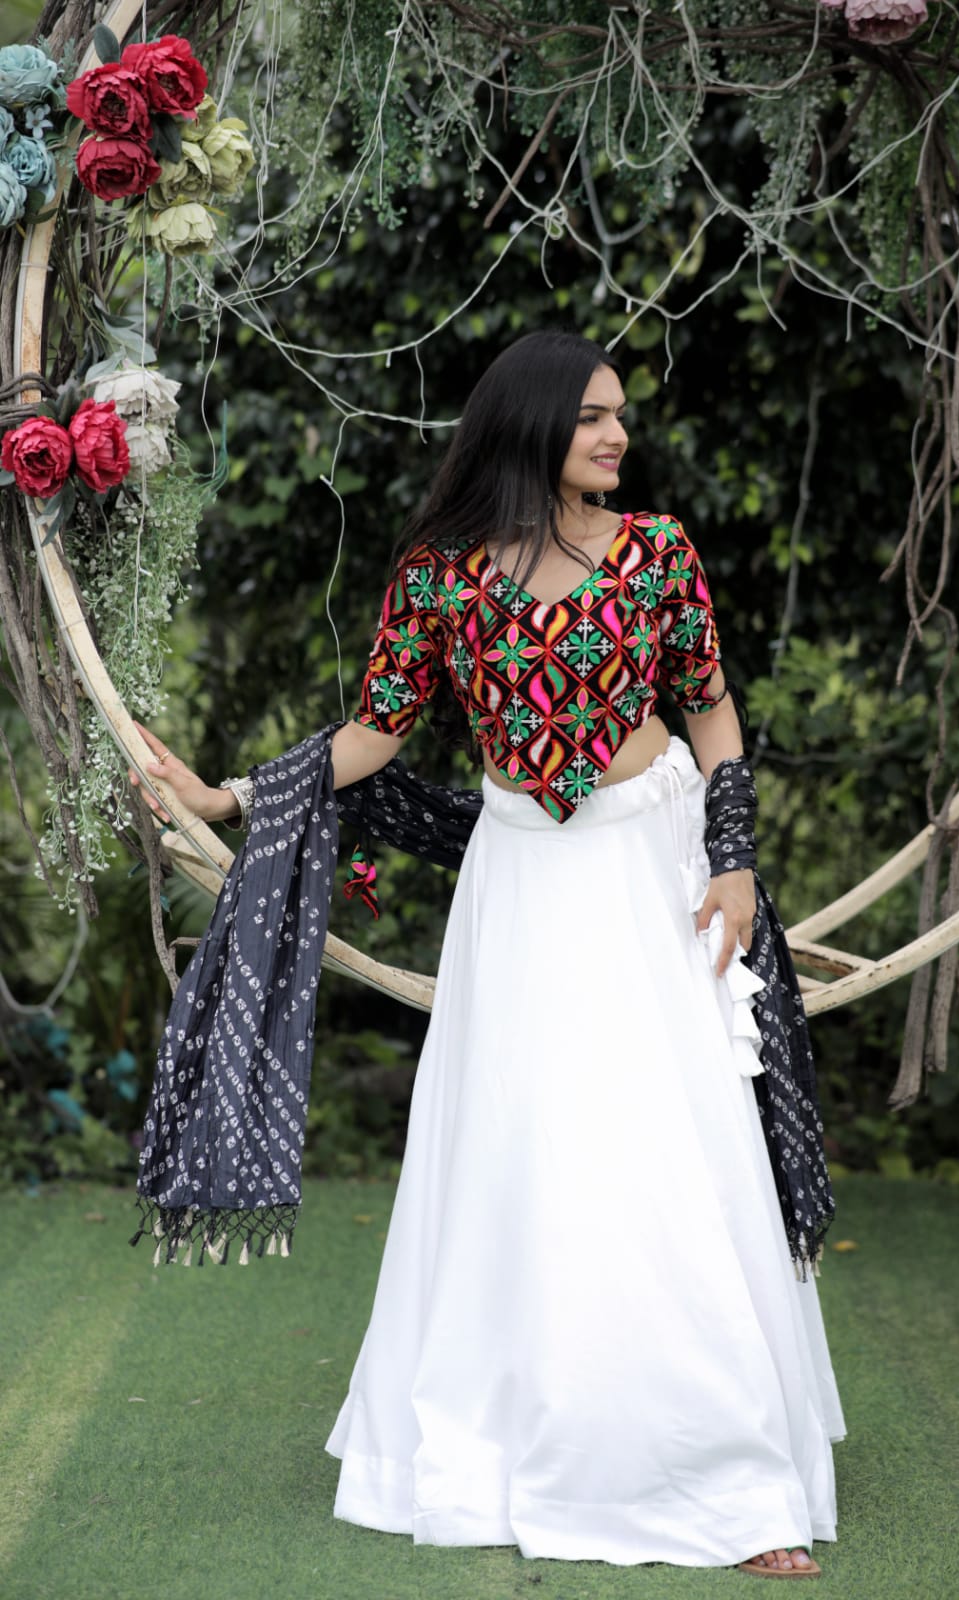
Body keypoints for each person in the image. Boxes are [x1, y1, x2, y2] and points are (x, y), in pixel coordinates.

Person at [132, 330, 845, 1578]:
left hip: (650, 877)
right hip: (520, 888)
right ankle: (515, 1446)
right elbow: (374, 734)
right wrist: (228, 792)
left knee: (668, 1153)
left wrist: (732, 859)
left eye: (619, 415)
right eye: (590, 419)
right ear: (528, 430)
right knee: (521, 1152)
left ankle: (728, 1479)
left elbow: (712, 709)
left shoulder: (659, 555)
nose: (616, 435)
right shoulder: (441, 578)